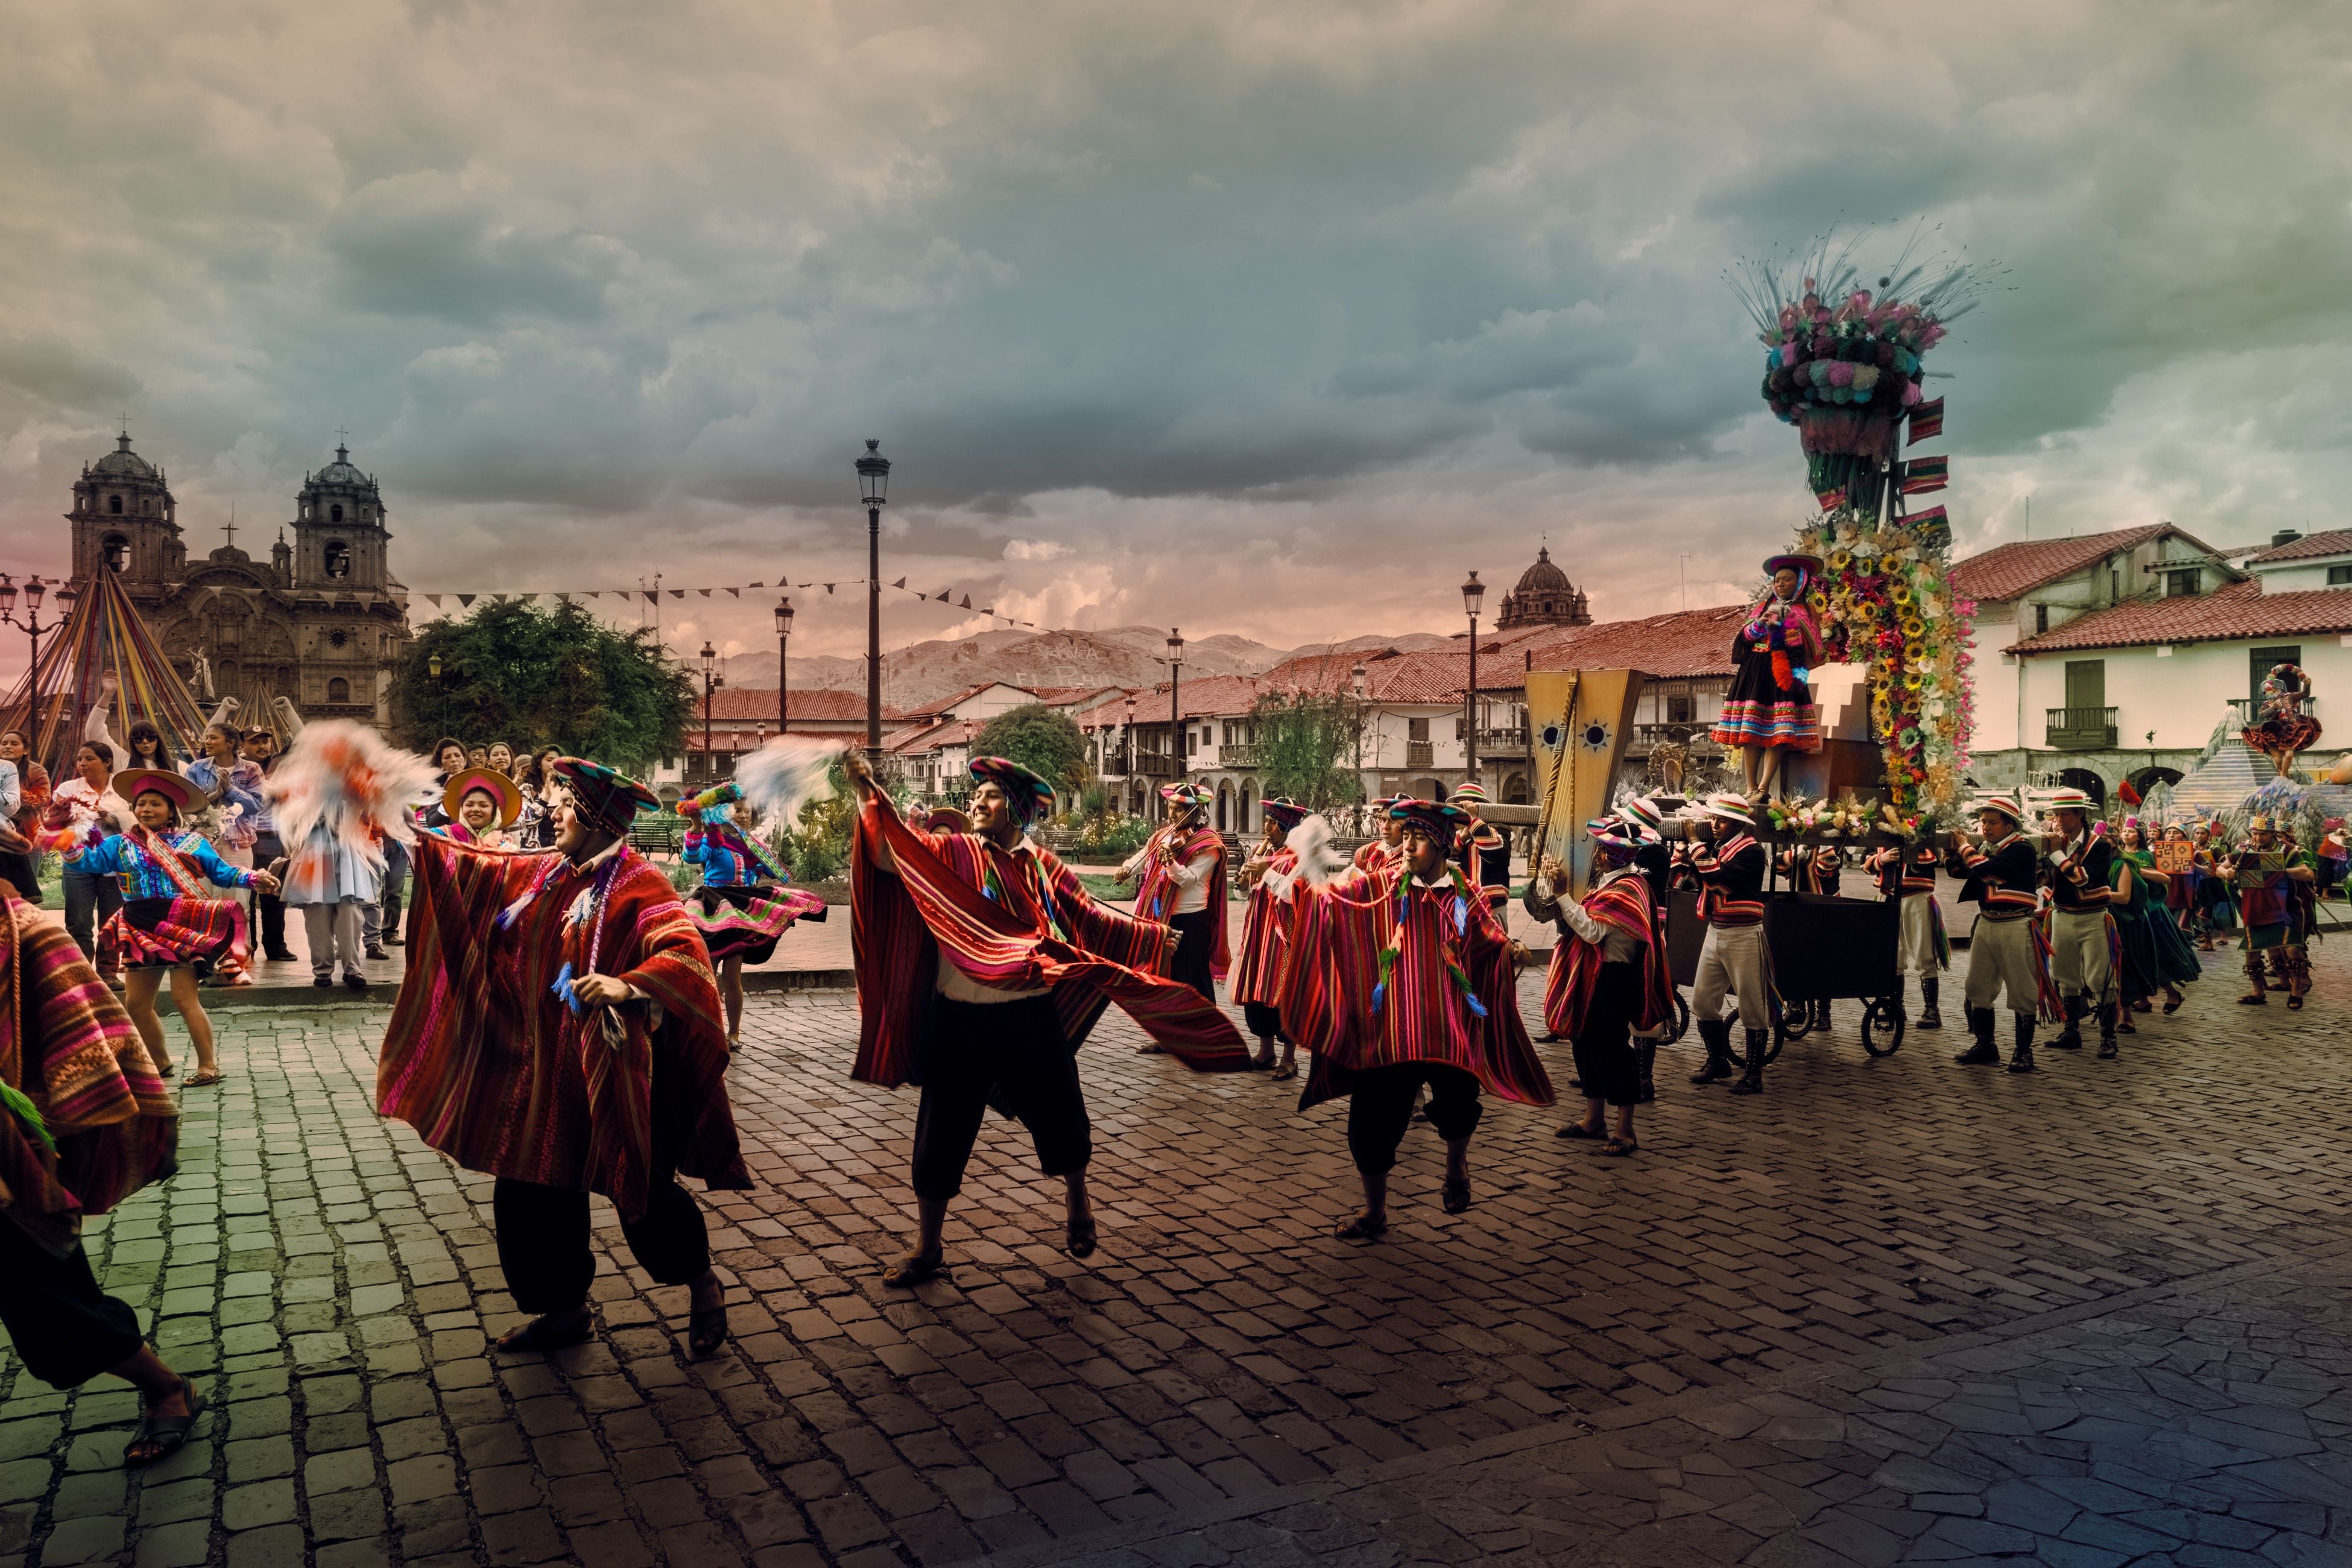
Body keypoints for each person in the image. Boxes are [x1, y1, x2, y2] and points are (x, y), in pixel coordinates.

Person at [380, 756, 744, 1359]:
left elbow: (683, 949)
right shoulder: (549, 872)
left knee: (642, 1191)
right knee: (529, 1180)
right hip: (543, 1066)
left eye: (567, 804)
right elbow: (478, 872)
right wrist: (411, 830)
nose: (554, 812)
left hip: (615, 1067)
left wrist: (627, 984)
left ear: (597, 816)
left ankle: (702, 1282)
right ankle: (564, 1309)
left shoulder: (637, 883)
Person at [842, 751, 1245, 1285]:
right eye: (977, 794)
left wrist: (1148, 936)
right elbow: (891, 854)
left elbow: (1087, 915)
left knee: (1061, 1116)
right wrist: (867, 793)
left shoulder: (1042, 866)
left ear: (1012, 808)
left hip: (1026, 1016)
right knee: (940, 1132)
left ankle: (1078, 1201)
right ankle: (928, 1245)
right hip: (957, 1018)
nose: (976, 802)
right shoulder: (955, 853)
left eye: (988, 796)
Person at [1277, 800, 1551, 1236]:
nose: (1407, 846)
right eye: (1405, 837)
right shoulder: (1381, 888)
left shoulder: (1466, 895)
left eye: (1419, 838)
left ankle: (1456, 1165)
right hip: (1392, 1034)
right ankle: (1374, 1213)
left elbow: (1487, 940)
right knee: (1368, 1128)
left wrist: (1508, 947)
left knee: (1459, 1108)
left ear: (1442, 845)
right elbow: (1333, 904)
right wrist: (1309, 882)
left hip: (1448, 1029)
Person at [0, 883, 194, 1467]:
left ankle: (164, 1385)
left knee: (48, 1306)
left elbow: (87, 1027)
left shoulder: (24, 929)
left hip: (9, 1160)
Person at [68, 771, 279, 1086]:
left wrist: (253, 878)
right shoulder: (120, 844)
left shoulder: (193, 843)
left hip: (182, 922)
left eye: (155, 804)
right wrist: (64, 843)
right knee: (137, 1006)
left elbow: (221, 873)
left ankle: (208, 1066)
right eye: (141, 804)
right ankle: (161, 1062)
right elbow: (90, 862)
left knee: (184, 998)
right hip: (139, 923)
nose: (146, 810)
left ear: (171, 810)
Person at [1531, 818, 1672, 1157]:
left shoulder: (1627, 889)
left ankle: (1625, 1129)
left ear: (1605, 858)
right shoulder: (1619, 882)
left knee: (1612, 1050)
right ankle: (1594, 1120)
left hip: (1611, 980)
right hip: (1594, 976)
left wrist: (1564, 894)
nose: (1595, 856)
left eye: (1598, 852)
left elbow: (1592, 933)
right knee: (1584, 1044)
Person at [678, 782, 827, 1046]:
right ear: (725, 813)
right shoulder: (716, 842)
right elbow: (692, 857)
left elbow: (773, 872)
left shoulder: (755, 845)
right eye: (737, 810)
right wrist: (697, 826)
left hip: (742, 911)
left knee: (732, 976)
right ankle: (707, 1027)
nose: (744, 815)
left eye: (747, 811)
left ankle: (733, 1033)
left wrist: (764, 856)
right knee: (709, 974)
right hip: (712, 907)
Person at [270, 704, 382, 993]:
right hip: (315, 851)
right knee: (317, 913)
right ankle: (322, 970)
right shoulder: (302, 778)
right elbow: (288, 812)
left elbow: (371, 804)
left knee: (350, 913)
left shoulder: (356, 777)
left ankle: (353, 969)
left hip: (347, 850)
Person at [1675, 794, 1773, 1096]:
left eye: (1722, 821)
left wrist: (1694, 844)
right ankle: (1718, 1061)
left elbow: (1717, 878)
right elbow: (1688, 878)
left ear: (1738, 824)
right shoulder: (1720, 848)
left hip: (1744, 934)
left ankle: (1754, 1074)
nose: (1715, 825)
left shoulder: (1752, 852)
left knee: (1752, 1006)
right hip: (1716, 930)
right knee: (1703, 1001)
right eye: (1714, 820)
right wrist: (1682, 852)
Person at [1945, 794, 2050, 1072]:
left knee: (2022, 990)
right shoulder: (1988, 848)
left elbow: (1988, 872)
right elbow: (1958, 872)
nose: (1986, 828)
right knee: (1977, 986)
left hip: (2016, 925)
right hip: (1987, 922)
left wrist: (1966, 848)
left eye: (1992, 823)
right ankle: (1986, 1045)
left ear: (2010, 825)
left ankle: (2023, 1052)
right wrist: (1952, 853)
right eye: (1983, 822)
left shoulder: (2022, 849)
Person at [1711, 552, 1825, 800]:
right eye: (1777, 581)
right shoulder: (1762, 608)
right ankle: (1750, 788)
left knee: (1777, 734)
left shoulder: (1806, 611)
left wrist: (1788, 627)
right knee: (1750, 733)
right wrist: (1761, 624)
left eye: (1786, 580)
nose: (1780, 584)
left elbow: (1815, 647)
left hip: (1784, 674)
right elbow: (1745, 638)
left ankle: (1764, 787)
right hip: (1756, 671)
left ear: (1800, 582)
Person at [1115, 782, 1228, 1006]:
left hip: (1190, 922)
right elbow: (1143, 856)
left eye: (1178, 809)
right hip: (1162, 918)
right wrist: (1126, 868)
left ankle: (1203, 1031)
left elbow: (1187, 880)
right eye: (1170, 808)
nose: (1171, 814)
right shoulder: (1163, 836)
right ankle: (1170, 1038)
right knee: (1166, 978)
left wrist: (1170, 863)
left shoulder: (1209, 845)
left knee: (1192, 981)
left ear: (1194, 812)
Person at [1231, 798, 1309, 1078]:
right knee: (1257, 993)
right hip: (1258, 933)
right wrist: (1243, 881)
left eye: (1272, 823)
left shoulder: (1301, 858)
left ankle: (1290, 1058)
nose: (1266, 827)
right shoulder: (1260, 852)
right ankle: (1265, 1053)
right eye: (1267, 821)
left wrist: (1269, 872)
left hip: (1284, 937)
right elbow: (1245, 895)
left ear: (1287, 827)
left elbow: (1295, 894)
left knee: (1282, 996)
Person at [2040, 788, 2119, 1058]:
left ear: (2080, 814)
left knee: (2101, 976)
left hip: (2093, 916)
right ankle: (2071, 1031)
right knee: (2064, 974)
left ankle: (2108, 1037)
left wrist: (2054, 855)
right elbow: (2043, 878)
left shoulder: (2100, 845)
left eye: (2065, 814)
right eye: (2056, 814)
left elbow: (2082, 878)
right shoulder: (2053, 841)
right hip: (2061, 914)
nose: (2059, 819)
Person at [45, 740, 131, 979]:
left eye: (89, 759)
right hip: (78, 862)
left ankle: (108, 973)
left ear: (107, 762)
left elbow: (137, 818)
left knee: (111, 920)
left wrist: (113, 818)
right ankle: (81, 975)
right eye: (80, 759)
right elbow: (53, 821)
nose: (82, 764)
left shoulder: (123, 788)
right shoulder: (68, 788)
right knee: (78, 922)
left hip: (115, 863)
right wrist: (77, 817)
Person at [2112, 820, 2195, 1026]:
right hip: (2125, 911)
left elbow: (2157, 879)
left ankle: (2171, 993)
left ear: (2139, 835)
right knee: (2136, 958)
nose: (2126, 834)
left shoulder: (2143, 855)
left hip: (2148, 910)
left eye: (2131, 831)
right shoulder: (2115, 856)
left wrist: (2130, 870)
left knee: (2153, 955)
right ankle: (2143, 999)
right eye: (2124, 831)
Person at [1865, 836, 1947, 1031]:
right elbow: (1866, 863)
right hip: (1888, 897)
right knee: (1893, 956)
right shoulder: (1880, 831)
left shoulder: (1923, 831)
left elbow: (1933, 858)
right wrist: (1882, 859)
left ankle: (1931, 1011)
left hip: (1916, 897)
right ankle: (1895, 1006)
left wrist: (1906, 852)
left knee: (1924, 953)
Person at [2233, 815, 2315, 1007]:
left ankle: (2296, 991)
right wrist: (2225, 872)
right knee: (2252, 954)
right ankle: (2258, 993)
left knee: (2293, 950)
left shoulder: (2288, 850)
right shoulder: (2245, 850)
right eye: (2255, 833)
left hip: (2285, 909)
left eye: (2263, 834)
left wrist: (2277, 870)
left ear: (2272, 833)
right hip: (2255, 909)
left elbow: (2307, 873)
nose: (2258, 838)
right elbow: (2223, 867)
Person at [240, 724, 295, 961]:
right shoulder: (237, 769)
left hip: (274, 838)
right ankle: (247, 946)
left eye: (265, 741)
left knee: (274, 895)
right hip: (245, 841)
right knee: (247, 898)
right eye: (254, 742)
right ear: (242, 745)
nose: (262, 746)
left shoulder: (280, 766)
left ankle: (276, 947)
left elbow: (301, 742)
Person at [1778, 840, 1844, 1032]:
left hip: (1825, 912)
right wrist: (1798, 853)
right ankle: (1797, 1009)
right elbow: (1776, 864)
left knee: (1823, 961)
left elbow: (1827, 865)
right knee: (1796, 958)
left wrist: (1807, 849)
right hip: (1801, 911)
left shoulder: (1829, 849)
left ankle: (1824, 1014)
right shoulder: (1802, 851)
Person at [0, 726, 45, 904]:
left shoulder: (37, 772)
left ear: (26, 749)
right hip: (5, 833)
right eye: (4, 743)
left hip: (27, 837)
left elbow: (39, 800)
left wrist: (14, 792)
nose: (8, 747)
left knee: (23, 895)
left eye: (14, 743)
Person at [1450, 783, 1511, 909]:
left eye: (1466, 806)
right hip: (1465, 900)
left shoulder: (1499, 827)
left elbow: (1496, 853)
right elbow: (1448, 853)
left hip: (1493, 901)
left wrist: (1474, 819)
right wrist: (1463, 837)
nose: (1463, 811)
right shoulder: (1459, 831)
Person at [433, 766, 525, 850]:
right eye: (469, 805)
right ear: (461, 808)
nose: (475, 809)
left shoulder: (504, 847)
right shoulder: (442, 836)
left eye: (483, 805)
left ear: (495, 811)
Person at [1353, 795, 1404, 873]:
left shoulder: (1415, 860)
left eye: (1393, 821)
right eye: (1383, 820)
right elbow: (1348, 874)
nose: (1385, 827)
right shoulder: (1370, 851)